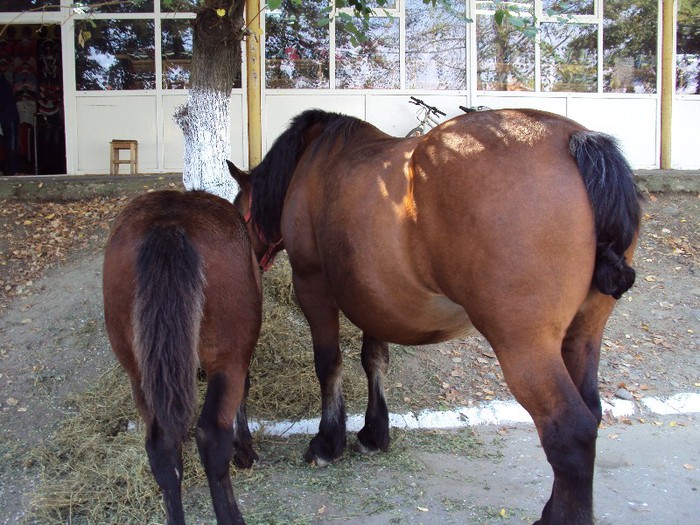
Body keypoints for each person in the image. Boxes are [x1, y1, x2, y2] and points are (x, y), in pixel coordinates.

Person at [0, 74, 20, 175]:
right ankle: (11, 170)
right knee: (10, 146)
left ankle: (12, 171)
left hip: (8, 116)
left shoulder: (2, 81)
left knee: (11, 146)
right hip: (7, 116)